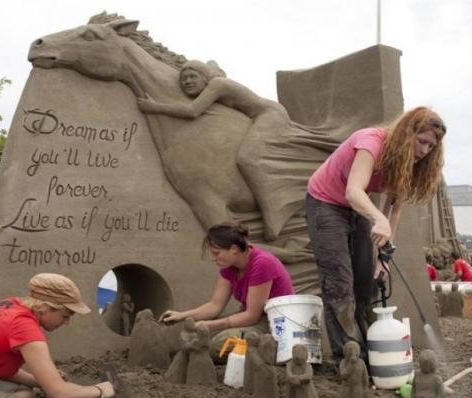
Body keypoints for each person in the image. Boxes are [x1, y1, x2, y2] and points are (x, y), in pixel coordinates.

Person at [305, 107, 446, 361]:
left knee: (366, 281)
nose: (425, 151)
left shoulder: (409, 162)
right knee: (340, 283)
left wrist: (383, 257)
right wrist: (377, 218)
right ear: (407, 133)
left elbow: (393, 212)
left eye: (431, 147)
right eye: (422, 141)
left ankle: (372, 352)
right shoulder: (371, 142)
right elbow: (354, 192)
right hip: (325, 203)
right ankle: (348, 360)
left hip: (356, 207)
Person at [137, 60, 334, 241]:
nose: (187, 81)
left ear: (204, 79)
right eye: (183, 79)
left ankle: (274, 211)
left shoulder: (217, 85)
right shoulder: (214, 89)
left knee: (248, 157)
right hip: (257, 117)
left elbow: (192, 111)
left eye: (192, 77)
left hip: (269, 114)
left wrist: (155, 107)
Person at [159, 222, 294, 357]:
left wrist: (209, 325)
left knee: (218, 345)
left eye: (217, 253)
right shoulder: (229, 268)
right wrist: (181, 316)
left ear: (234, 249)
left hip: (276, 322)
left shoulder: (262, 263)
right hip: (254, 319)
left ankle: (277, 353)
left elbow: (252, 316)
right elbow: (215, 305)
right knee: (200, 338)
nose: (214, 258)